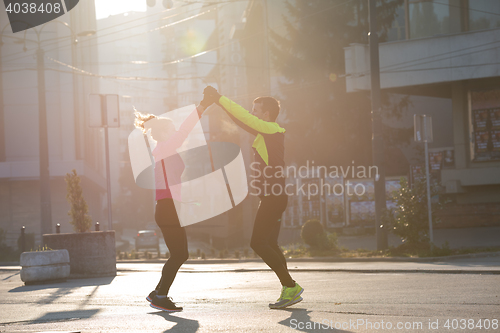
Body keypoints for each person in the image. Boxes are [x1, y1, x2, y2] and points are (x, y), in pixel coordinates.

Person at [202, 86, 303, 309]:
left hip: (273, 197)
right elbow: (242, 120)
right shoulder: (268, 132)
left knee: (257, 243)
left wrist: (219, 98)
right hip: (274, 197)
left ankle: (290, 286)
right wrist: (219, 103)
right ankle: (289, 289)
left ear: (266, 113)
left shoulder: (269, 129)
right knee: (271, 244)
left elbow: (242, 117)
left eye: (255, 109)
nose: (252, 112)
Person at [133, 95, 211, 312]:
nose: (177, 133)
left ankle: (157, 292)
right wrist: (202, 106)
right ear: (164, 133)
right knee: (180, 254)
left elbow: (172, 184)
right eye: (172, 130)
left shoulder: (165, 151)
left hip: (169, 207)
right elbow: (185, 130)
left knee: (179, 253)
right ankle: (160, 294)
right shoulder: (165, 148)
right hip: (168, 209)